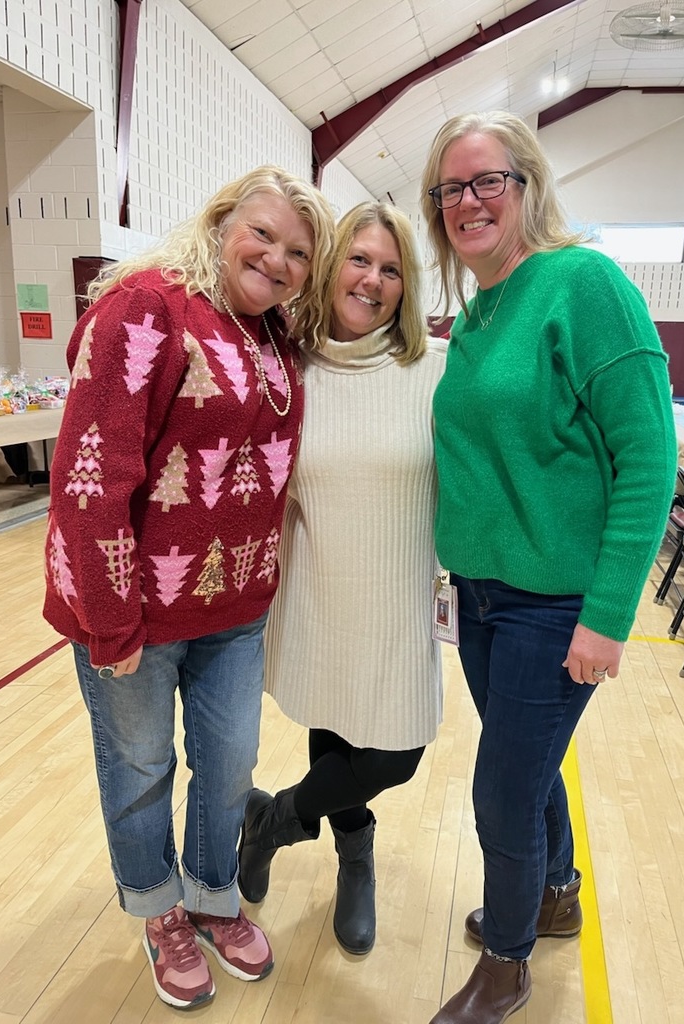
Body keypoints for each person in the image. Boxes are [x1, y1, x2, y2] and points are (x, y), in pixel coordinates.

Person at [42, 166, 335, 1010]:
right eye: (263, 235)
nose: (277, 260)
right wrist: (110, 619)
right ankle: (159, 909)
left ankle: (212, 891)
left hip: (234, 608)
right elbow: (91, 476)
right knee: (139, 766)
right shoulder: (148, 306)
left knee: (230, 761)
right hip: (133, 609)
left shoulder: (275, 336)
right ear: (220, 222)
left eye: (296, 253)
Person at [419, 112, 677, 1023]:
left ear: (528, 184)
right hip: (484, 599)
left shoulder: (585, 282)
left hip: (553, 602)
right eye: (450, 189)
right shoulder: (482, 310)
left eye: (487, 180)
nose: (468, 202)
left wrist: (607, 616)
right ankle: (556, 891)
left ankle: (509, 961)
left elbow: (648, 458)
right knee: (530, 771)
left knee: (500, 789)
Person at [237, 201, 447, 955]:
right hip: (320, 593)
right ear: (330, 269)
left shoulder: (436, 368)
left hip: (397, 601)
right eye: (359, 260)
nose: (373, 279)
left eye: (391, 269)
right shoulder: (291, 371)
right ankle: (354, 861)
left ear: (407, 286)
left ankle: (271, 822)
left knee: (398, 750)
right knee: (334, 729)